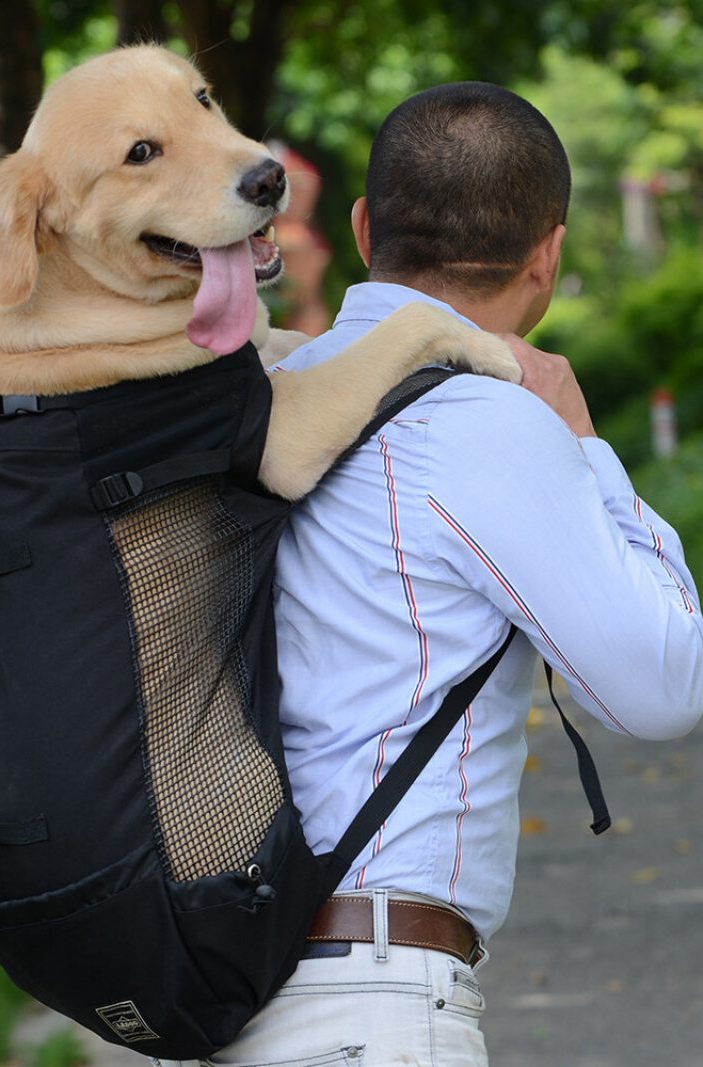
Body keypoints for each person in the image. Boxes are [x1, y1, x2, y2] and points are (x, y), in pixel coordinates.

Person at [164, 82, 703, 1066]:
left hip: (221, 980)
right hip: (365, 1006)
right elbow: (663, 684)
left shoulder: (272, 393)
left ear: (364, 225)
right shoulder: (481, 424)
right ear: (546, 250)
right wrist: (582, 442)